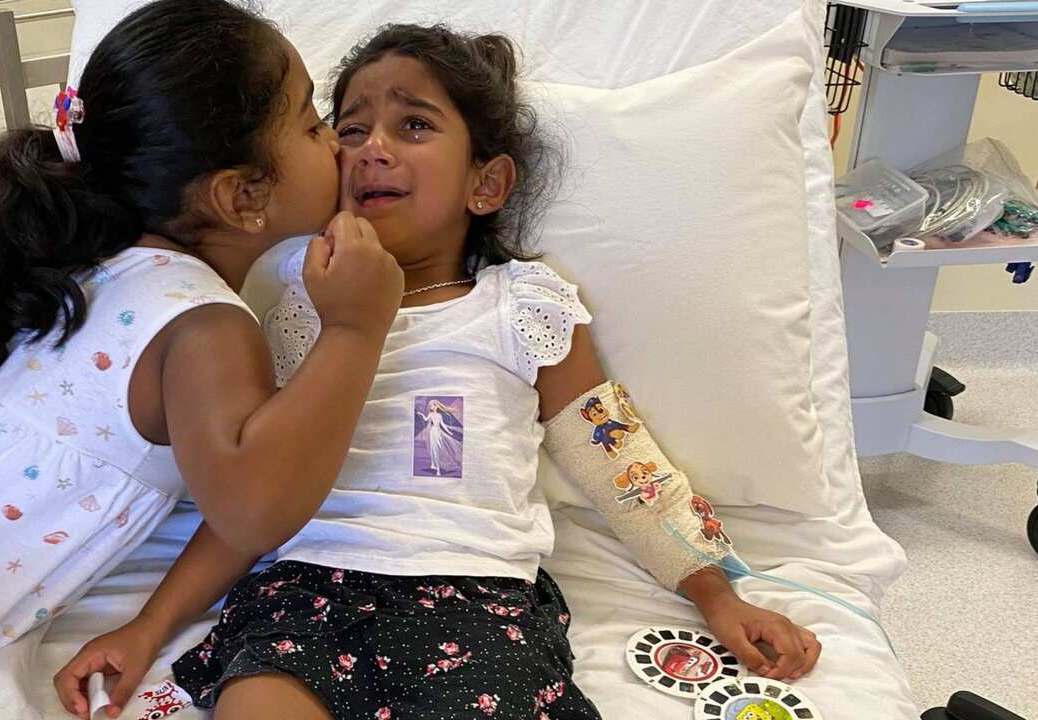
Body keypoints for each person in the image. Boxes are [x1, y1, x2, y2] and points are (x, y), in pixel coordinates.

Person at [59, 23, 821, 720]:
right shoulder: (292, 302)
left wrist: (716, 595)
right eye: (347, 129)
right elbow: (251, 498)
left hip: (475, 599)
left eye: (414, 125)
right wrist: (148, 625)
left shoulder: (522, 306)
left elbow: (616, 461)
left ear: (485, 185)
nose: (371, 147)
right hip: (302, 593)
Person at [0, 2, 402, 717]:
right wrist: (355, 328)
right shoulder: (204, 328)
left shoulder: (74, 248)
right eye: (314, 124)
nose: (340, 147)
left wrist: (151, 623)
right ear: (241, 196)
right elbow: (254, 511)